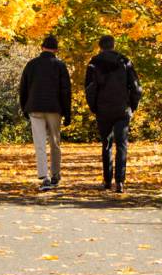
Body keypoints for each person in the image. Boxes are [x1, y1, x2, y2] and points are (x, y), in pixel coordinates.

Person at [85, 35, 142, 193]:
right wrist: (132, 105)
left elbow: (90, 88)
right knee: (122, 144)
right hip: (122, 108)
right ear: (113, 45)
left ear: (100, 46)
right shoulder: (124, 61)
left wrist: (94, 107)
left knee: (106, 144)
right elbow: (136, 87)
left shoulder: (94, 63)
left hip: (103, 109)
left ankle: (107, 180)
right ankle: (120, 181)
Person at [18, 35, 72, 191]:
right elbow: (65, 91)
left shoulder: (31, 65)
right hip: (54, 108)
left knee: (40, 143)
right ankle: (55, 174)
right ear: (56, 50)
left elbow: (23, 88)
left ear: (42, 47)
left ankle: (44, 176)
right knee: (55, 143)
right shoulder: (60, 66)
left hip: (34, 107)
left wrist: (24, 107)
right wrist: (67, 113)